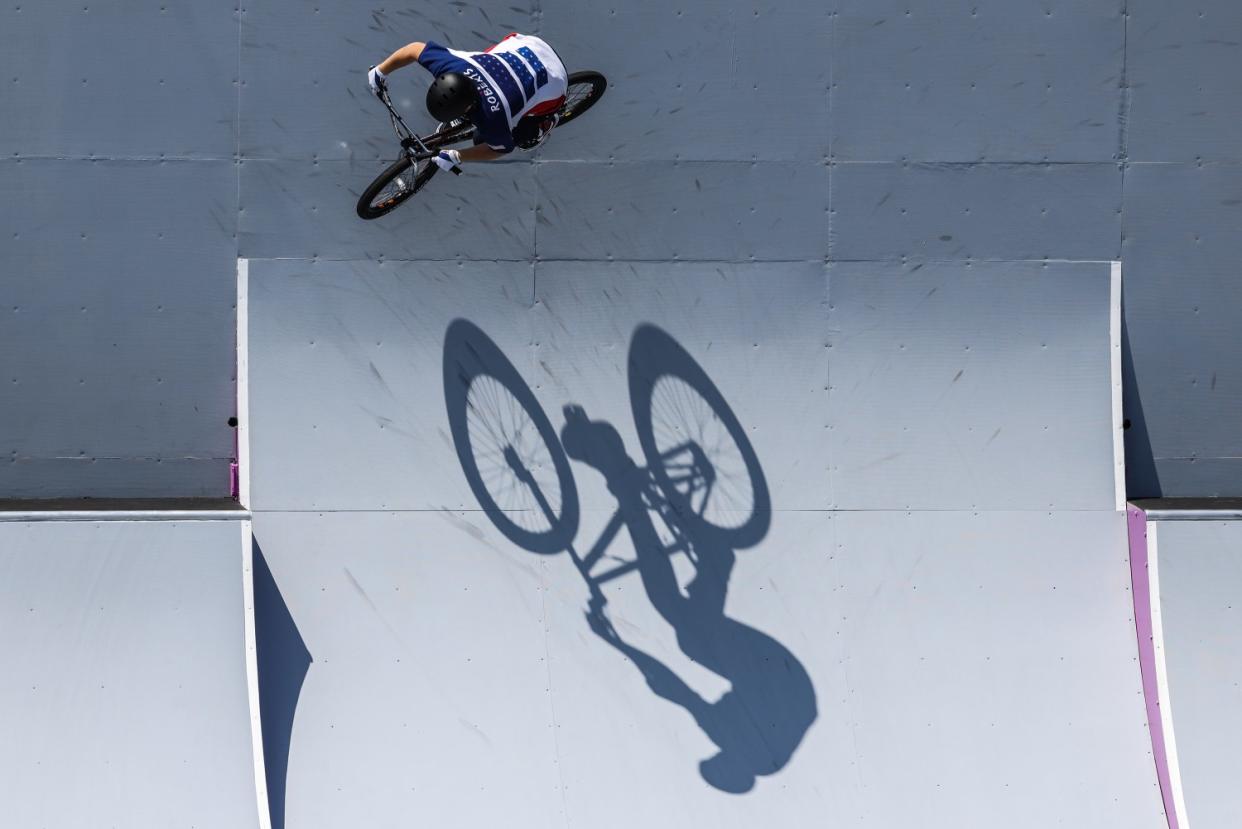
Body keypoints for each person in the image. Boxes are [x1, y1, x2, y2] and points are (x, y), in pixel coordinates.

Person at [367, 33, 568, 173]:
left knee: (503, 139)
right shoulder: (450, 65)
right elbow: (413, 50)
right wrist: (380, 71)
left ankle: (545, 123)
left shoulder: (493, 119)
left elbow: (500, 150)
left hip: (554, 79)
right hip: (529, 46)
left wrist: (458, 155)